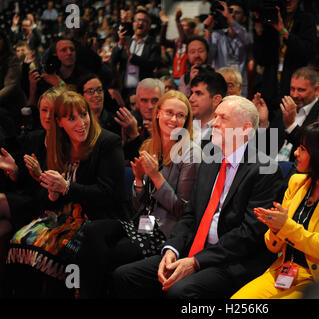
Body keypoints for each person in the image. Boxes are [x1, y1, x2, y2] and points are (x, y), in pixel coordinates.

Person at [113, 95, 282, 299]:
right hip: (192, 249)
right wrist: (172, 249)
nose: (213, 123)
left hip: (231, 261)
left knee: (180, 291)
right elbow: (190, 215)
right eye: (215, 116)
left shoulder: (265, 170)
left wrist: (196, 262)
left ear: (245, 129)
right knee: (125, 276)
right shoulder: (210, 161)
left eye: (223, 118)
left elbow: (248, 234)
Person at [78, 90, 201, 298]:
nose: (174, 119)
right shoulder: (149, 145)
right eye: (169, 112)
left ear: (187, 121)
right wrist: (137, 180)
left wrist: (155, 177)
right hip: (143, 223)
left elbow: (183, 210)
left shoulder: (191, 154)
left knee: (110, 255)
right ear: (158, 114)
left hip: (165, 232)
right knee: (93, 231)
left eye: (181, 115)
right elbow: (138, 206)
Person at [7, 90, 127, 297]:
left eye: (84, 114)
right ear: (60, 122)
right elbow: (50, 196)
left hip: (99, 219)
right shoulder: (60, 146)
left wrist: (66, 188)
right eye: (72, 118)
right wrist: (53, 193)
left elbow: (107, 193)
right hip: (63, 216)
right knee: (20, 239)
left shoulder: (108, 142)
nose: (81, 123)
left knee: (48, 247)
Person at [232, 120, 319, 299]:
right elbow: (272, 246)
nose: (296, 153)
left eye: (303, 149)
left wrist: (286, 226)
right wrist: (275, 228)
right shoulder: (297, 182)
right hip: (285, 271)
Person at [0, 85, 64, 296]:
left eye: (52, 110)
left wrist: (38, 175)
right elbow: (22, 184)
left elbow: (59, 193)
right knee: (3, 229)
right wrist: (16, 172)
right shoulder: (34, 138)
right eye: (43, 110)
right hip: (28, 202)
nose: (47, 116)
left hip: (51, 208)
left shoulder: (68, 143)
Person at [252, 0, 318, 112]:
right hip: (270, 87)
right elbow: (261, 59)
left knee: (289, 127)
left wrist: (283, 32)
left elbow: (307, 52)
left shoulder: (307, 19)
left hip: (294, 88)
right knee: (271, 129)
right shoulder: (271, 19)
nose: (287, 0)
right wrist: (258, 29)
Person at [203, 1, 251, 97]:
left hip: (238, 83)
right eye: (230, 11)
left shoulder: (245, 35)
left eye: (237, 12)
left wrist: (228, 17)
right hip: (220, 82)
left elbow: (247, 40)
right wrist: (207, 31)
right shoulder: (217, 35)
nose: (232, 14)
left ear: (244, 17)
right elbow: (209, 58)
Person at [111, 9, 161, 100]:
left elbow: (152, 65)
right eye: (137, 20)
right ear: (133, 24)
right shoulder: (126, 41)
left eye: (144, 21)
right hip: (124, 90)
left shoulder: (153, 45)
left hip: (144, 92)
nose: (140, 23)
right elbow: (113, 60)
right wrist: (120, 43)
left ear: (149, 26)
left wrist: (132, 57)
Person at [114, 78, 164, 161]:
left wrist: (136, 136)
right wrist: (124, 143)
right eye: (144, 100)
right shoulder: (127, 121)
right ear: (137, 102)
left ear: (162, 101)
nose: (150, 106)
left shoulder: (170, 123)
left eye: (155, 100)